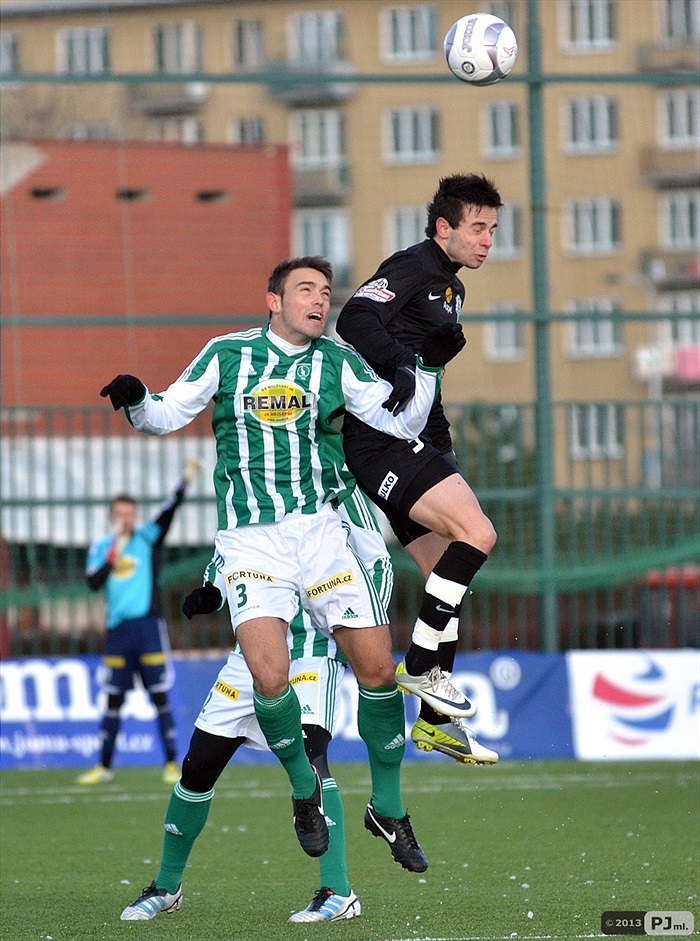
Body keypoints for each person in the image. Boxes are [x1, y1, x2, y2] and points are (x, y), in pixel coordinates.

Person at [100, 255, 465, 869]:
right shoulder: (227, 354)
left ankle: (390, 806)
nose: (320, 301)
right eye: (305, 291)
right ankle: (303, 789)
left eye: (326, 292)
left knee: (379, 670)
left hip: (319, 535)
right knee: (270, 680)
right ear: (273, 300)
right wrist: (139, 401)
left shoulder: (338, 362)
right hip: (252, 543)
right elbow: (165, 413)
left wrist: (425, 365)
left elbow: (401, 420)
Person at [121, 487, 390, 924]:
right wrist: (212, 589)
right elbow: (230, 553)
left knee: (311, 758)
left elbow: (378, 563)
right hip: (251, 658)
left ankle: (338, 891)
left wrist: (355, 629)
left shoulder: (341, 489)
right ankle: (167, 887)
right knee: (197, 767)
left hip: (311, 652)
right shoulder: (251, 482)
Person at [336, 173, 503, 764]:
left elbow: (424, 382)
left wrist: (440, 442)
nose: (487, 240)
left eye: (492, 229)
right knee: (479, 535)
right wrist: (402, 362)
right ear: (444, 228)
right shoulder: (413, 267)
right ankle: (422, 665)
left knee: (444, 576)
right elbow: (354, 318)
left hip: (412, 440)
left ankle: (434, 724)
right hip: (379, 442)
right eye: (477, 227)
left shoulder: (450, 289)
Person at [78, 460, 200, 786]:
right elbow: (93, 582)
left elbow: (168, 511)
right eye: (120, 513)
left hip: (148, 629)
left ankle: (172, 763)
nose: (125, 519)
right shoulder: (102, 548)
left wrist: (184, 482)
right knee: (114, 699)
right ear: (111, 517)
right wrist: (113, 552)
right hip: (118, 631)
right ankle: (104, 766)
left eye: (130, 513)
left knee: (159, 696)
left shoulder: (146, 538)